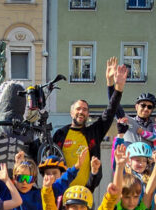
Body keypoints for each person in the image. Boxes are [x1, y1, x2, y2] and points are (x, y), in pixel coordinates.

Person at [52, 58, 127, 187]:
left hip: (86, 193)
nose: (81, 112)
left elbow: (110, 111)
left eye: (85, 109)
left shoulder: (93, 132)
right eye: (78, 109)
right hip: (62, 192)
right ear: (71, 112)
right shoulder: (60, 134)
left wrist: (116, 87)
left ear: (88, 114)